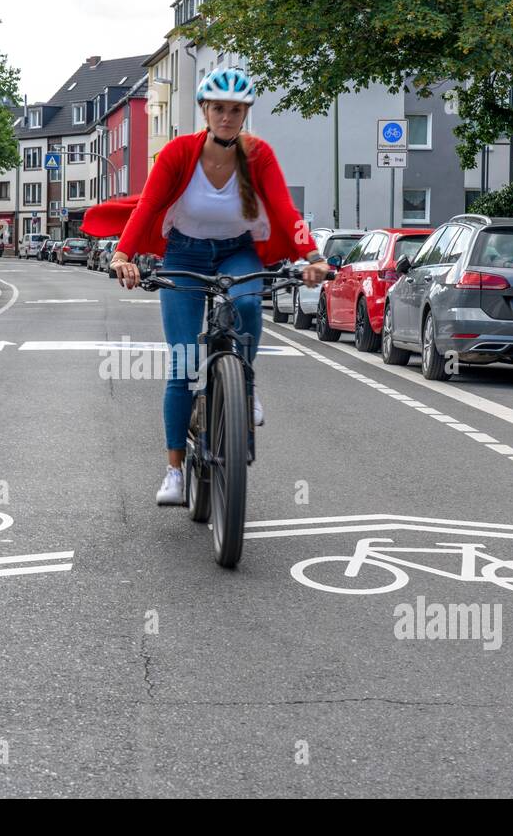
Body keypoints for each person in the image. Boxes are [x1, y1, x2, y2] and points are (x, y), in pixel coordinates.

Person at [83, 66, 330, 506]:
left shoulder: (259, 155)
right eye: (219, 109)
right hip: (184, 253)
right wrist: (123, 256)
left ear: (245, 113)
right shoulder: (179, 153)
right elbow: (150, 205)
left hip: (238, 251)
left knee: (249, 303)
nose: (228, 117)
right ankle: (174, 470)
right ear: (205, 111)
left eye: (236, 110)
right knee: (182, 364)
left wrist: (311, 256)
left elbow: (284, 208)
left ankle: (244, 389)